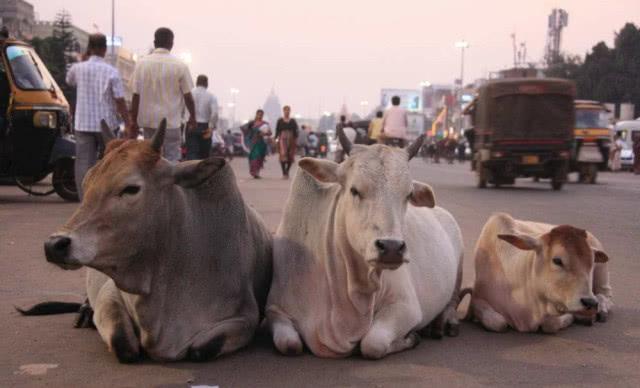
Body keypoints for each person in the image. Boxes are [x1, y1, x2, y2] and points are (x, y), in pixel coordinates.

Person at [65, 33, 130, 200]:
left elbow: (69, 81)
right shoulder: (111, 72)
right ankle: (108, 197)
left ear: (89, 48)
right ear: (104, 49)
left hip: (83, 124)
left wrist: (83, 58)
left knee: (83, 165)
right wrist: (128, 122)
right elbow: (119, 100)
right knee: (110, 163)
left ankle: (85, 200)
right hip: (106, 125)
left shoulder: (77, 69)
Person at [130, 27, 196, 163]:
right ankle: (168, 184)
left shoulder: (141, 64)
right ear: (171, 44)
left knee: (150, 160)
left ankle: (151, 184)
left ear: (154, 43)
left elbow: (135, 95)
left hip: (148, 123)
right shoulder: (180, 66)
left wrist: (133, 121)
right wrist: (193, 117)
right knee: (171, 160)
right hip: (171, 124)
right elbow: (188, 96)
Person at [186, 74, 218, 160]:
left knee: (192, 152)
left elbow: (183, 110)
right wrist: (211, 127)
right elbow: (214, 113)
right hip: (205, 127)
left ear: (196, 82)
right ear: (206, 83)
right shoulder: (211, 96)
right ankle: (202, 172)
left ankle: (192, 171)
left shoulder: (189, 94)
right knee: (204, 153)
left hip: (191, 125)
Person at [242, 109, 271, 179]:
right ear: (256, 114)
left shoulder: (265, 124)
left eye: (261, 115)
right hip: (252, 143)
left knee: (259, 157)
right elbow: (244, 129)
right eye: (259, 114)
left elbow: (270, 133)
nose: (260, 116)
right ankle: (253, 171)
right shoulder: (252, 123)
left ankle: (257, 172)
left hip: (261, 142)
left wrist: (264, 133)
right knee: (253, 157)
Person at [275, 105, 299, 178]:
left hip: (291, 138)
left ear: (290, 111)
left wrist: (295, 140)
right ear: (283, 111)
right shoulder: (280, 121)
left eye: (288, 110)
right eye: (285, 110)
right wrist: (276, 138)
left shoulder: (293, 121)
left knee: (290, 155)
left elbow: (296, 131)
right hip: (282, 139)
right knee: (283, 154)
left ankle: (287, 171)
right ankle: (283, 172)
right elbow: (277, 130)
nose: (287, 112)